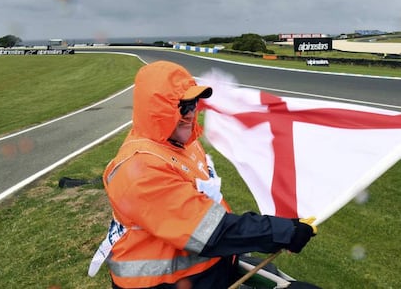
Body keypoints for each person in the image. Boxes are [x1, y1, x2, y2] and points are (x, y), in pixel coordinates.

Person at [95, 60, 317, 289]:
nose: (191, 113)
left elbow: (207, 208)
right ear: (155, 111)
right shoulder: (141, 170)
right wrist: (284, 232)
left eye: (194, 103)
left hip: (208, 270)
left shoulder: (182, 145)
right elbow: (210, 231)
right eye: (182, 106)